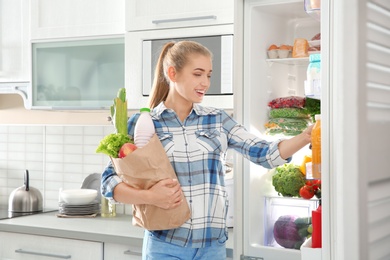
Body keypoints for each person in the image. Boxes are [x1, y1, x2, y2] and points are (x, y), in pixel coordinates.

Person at [101, 40, 313, 259]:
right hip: (164, 245)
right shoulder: (143, 123)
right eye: (197, 74)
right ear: (172, 73)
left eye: (208, 75)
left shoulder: (217, 120)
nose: (205, 82)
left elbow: (264, 153)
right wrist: (149, 196)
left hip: (212, 248)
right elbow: (108, 182)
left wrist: (305, 136)